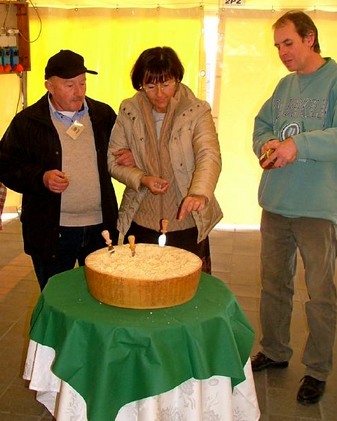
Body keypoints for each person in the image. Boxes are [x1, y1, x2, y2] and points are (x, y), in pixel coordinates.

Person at [252, 11, 337, 405]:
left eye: (288, 43)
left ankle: (317, 369)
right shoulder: (284, 86)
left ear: (309, 38)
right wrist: (266, 146)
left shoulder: (334, 80)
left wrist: (297, 145)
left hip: (317, 209)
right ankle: (274, 350)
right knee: (274, 284)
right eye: (277, 46)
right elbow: (262, 125)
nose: (282, 53)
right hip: (276, 202)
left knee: (320, 292)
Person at [0, 49, 131, 290]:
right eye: (70, 85)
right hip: (52, 230)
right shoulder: (28, 122)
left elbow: (123, 147)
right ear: (49, 86)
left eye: (83, 83)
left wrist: (128, 153)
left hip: (99, 227)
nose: (79, 91)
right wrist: (41, 177)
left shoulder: (102, 115)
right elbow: (5, 165)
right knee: (57, 299)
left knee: (100, 296)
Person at [108, 46, 222, 273]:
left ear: (177, 79)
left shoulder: (197, 111)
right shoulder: (129, 110)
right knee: (141, 285)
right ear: (140, 84)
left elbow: (208, 155)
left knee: (185, 287)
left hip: (186, 219)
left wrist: (199, 192)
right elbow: (112, 161)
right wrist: (142, 178)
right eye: (150, 86)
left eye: (166, 84)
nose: (159, 93)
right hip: (141, 218)